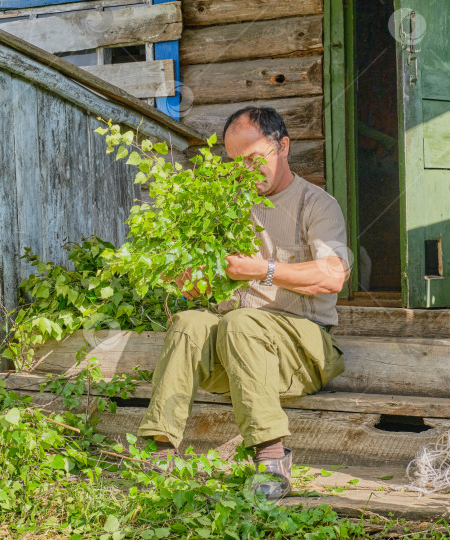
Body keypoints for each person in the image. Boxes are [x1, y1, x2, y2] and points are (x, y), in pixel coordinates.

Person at [136, 106, 350, 501]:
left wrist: (263, 270)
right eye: (235, 163)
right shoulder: (229, 205)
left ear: (282, 146)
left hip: (304, 353)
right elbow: (214, 283)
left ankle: (271, 458)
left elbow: (334, 275)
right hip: (241, 354)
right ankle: (160, 452)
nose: (246, 172)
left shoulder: (316, 204)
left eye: (255, 159)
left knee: (241, 322)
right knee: (188, 320)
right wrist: (194, 283)